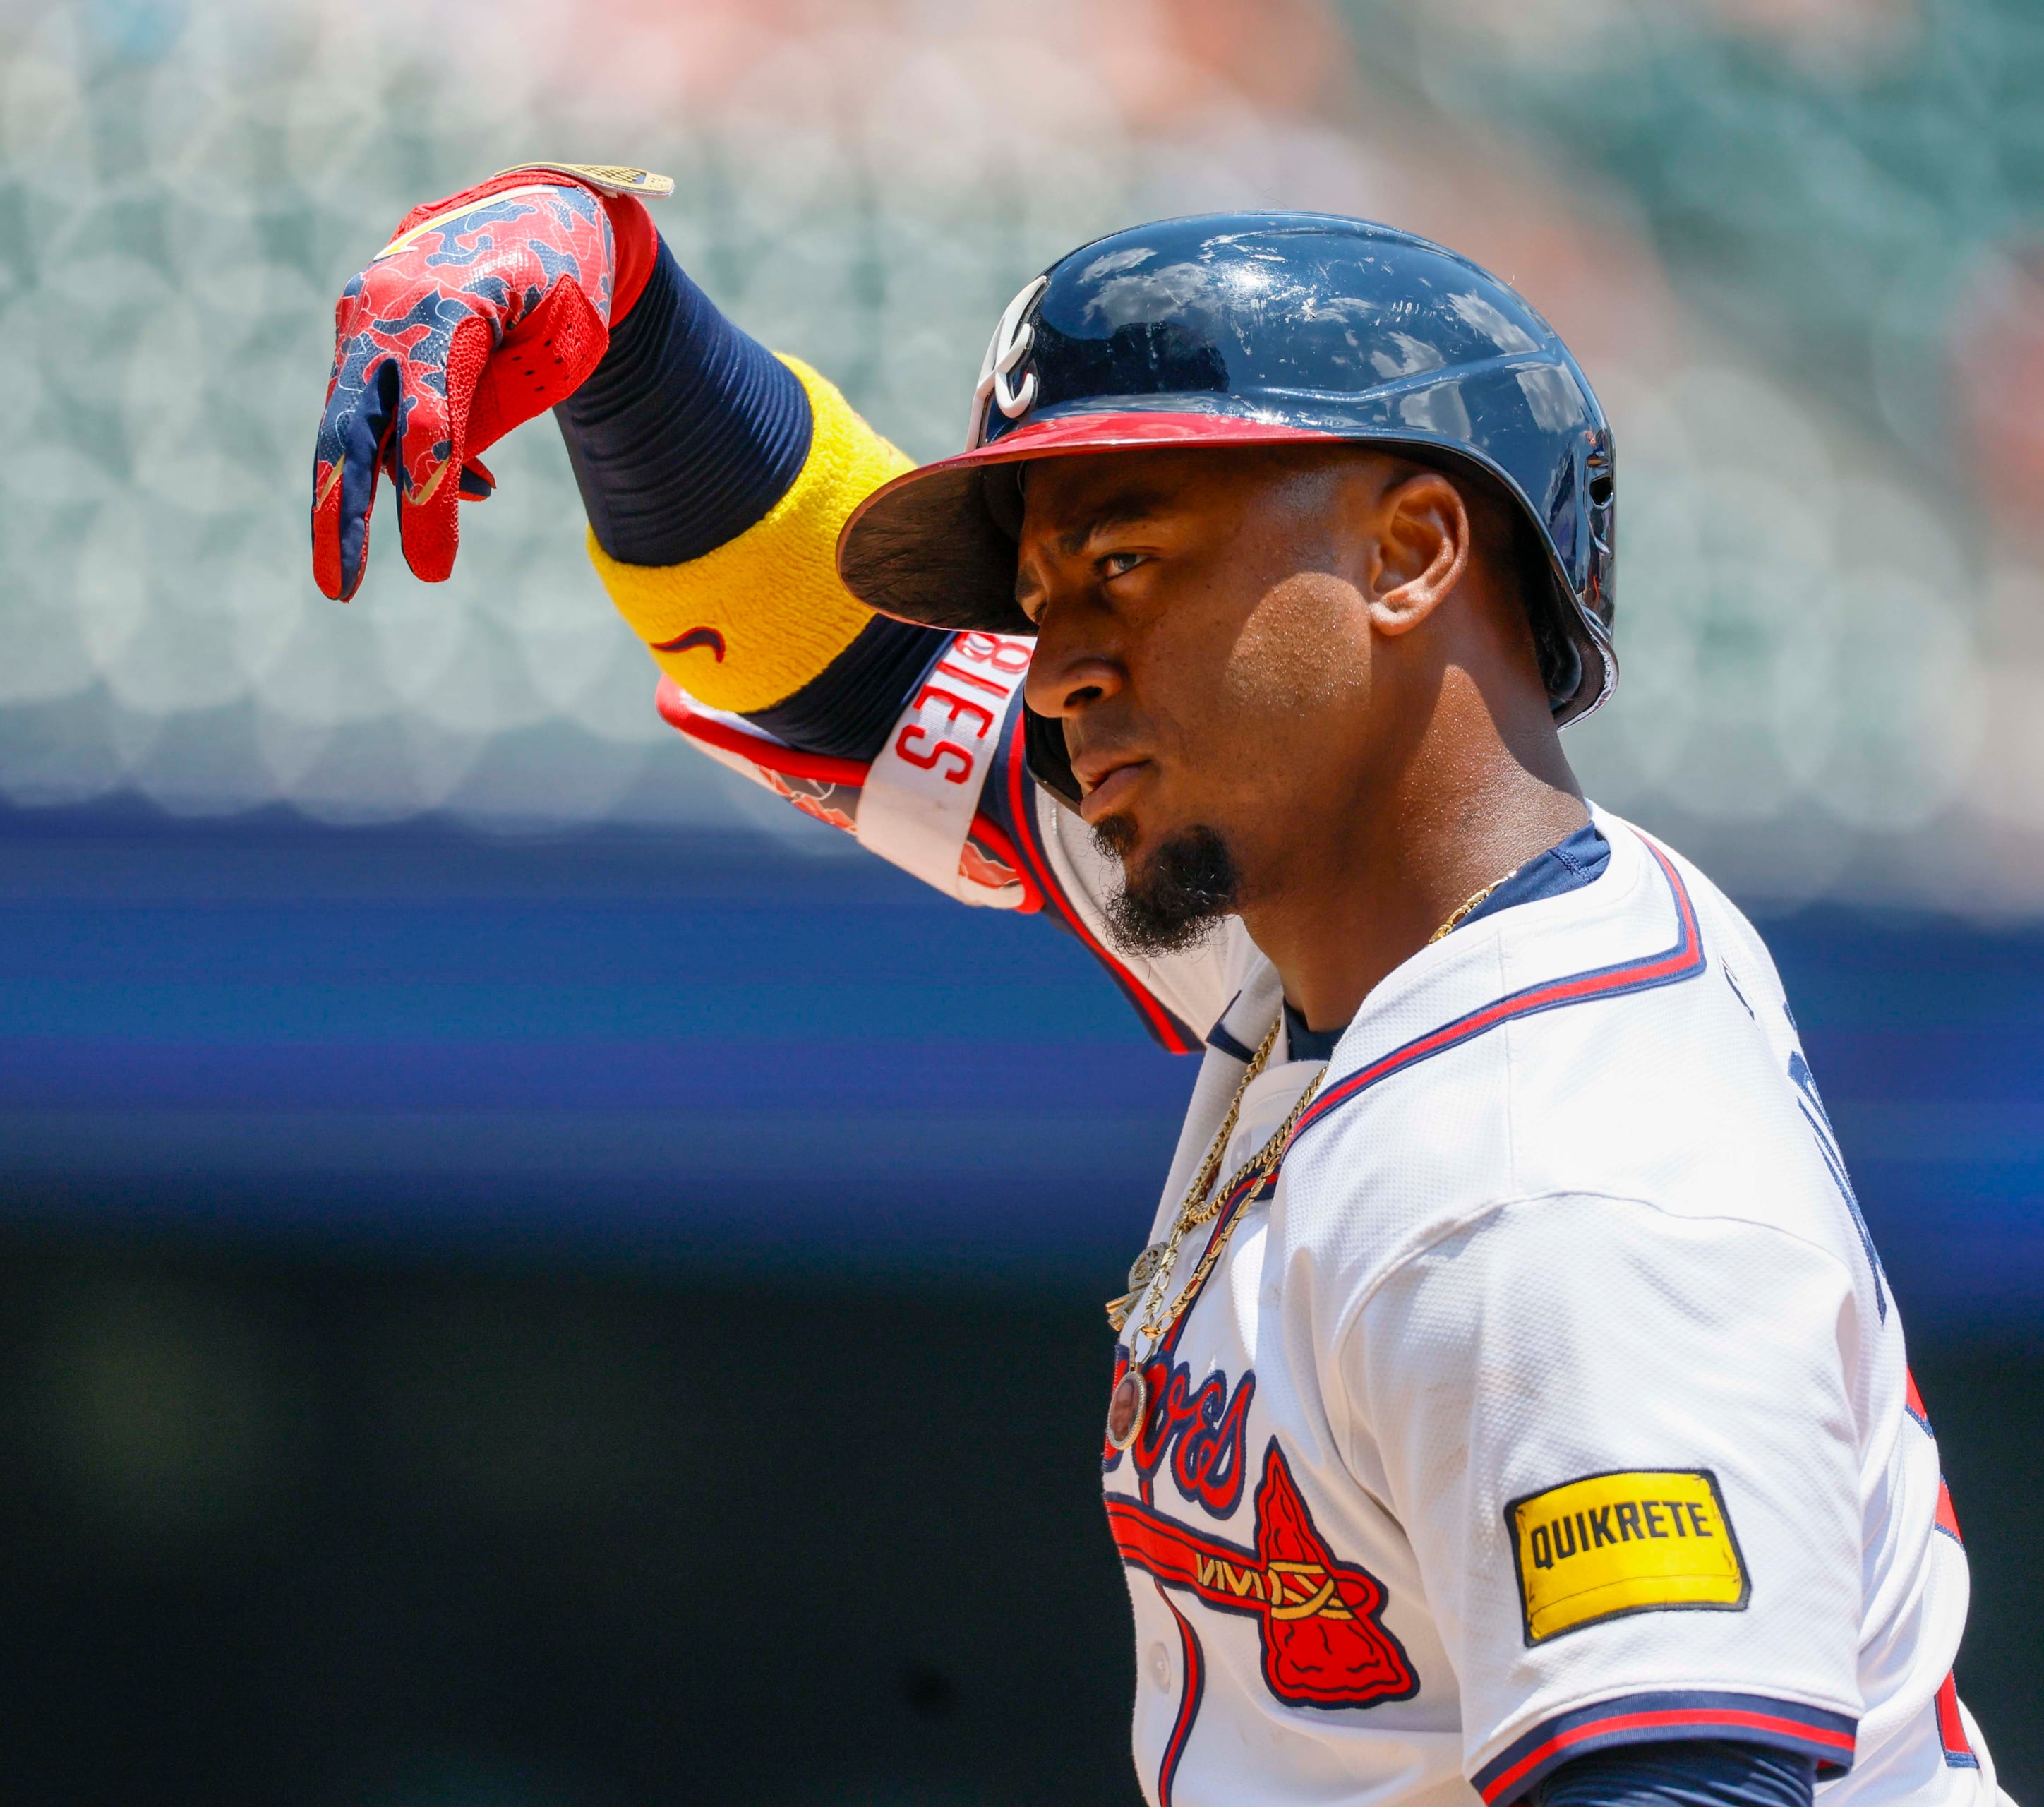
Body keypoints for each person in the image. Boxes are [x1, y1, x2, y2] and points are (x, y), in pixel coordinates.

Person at [311, 164, 2005, 1807]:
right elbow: (859, 677)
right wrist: (628, 329)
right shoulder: (1335, 928)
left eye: (1123, 565)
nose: (1056, 672)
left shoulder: (1549, 1183)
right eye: (1041, 603)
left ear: (1412, 552)